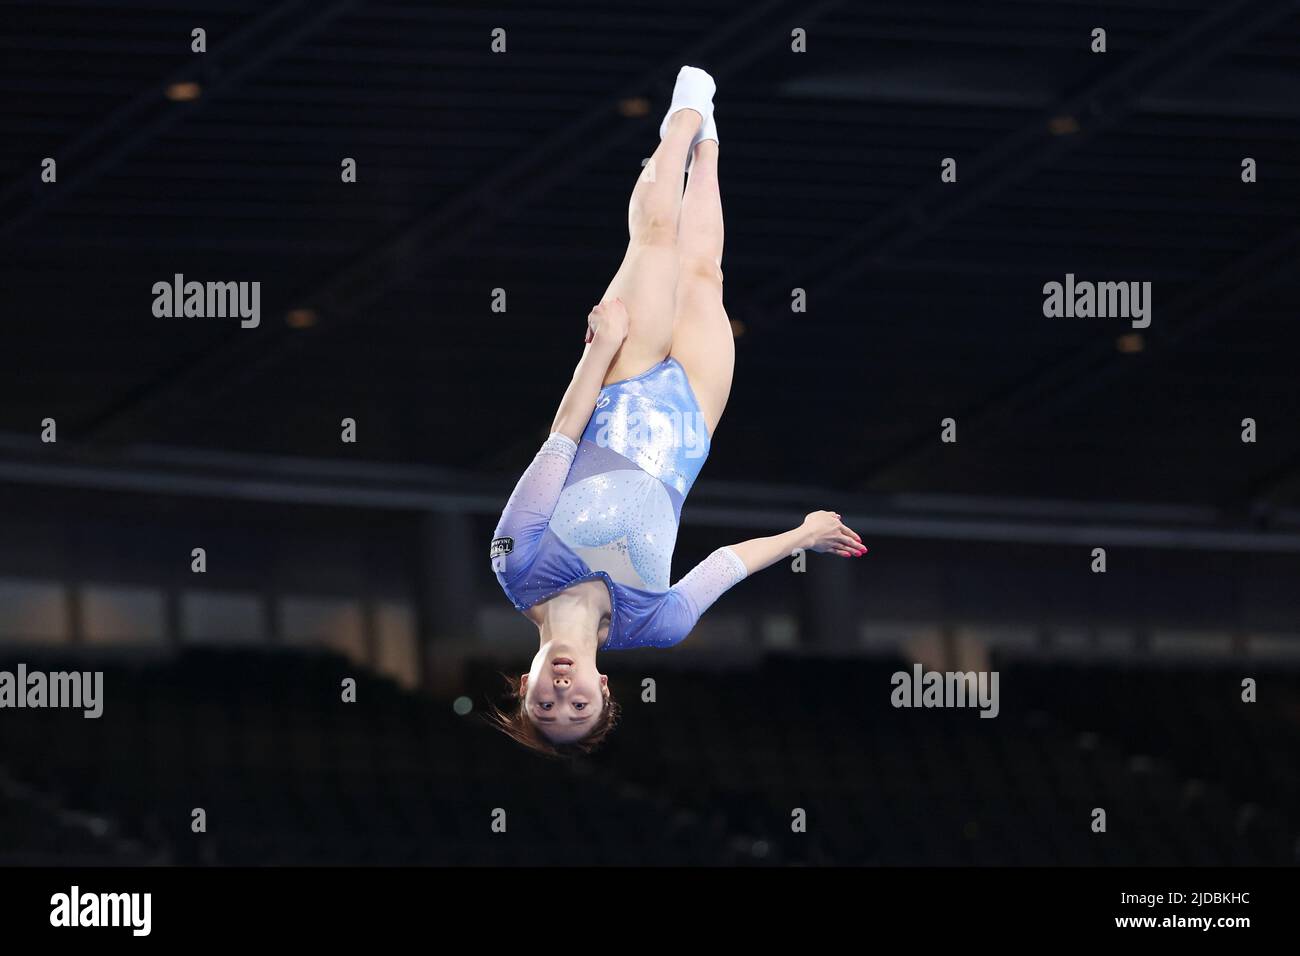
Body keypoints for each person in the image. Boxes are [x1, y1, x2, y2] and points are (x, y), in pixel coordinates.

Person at [488, 67, 866, 755]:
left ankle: (686, 113)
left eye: (546, 703)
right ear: (606, 691)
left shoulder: (517, 565)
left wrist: (599, 353)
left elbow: (560, 441)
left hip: (619, 384)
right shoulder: (654, 624)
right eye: (577, 706)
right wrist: (802, 534)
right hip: (693, 414)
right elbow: (727, 562)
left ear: (525, 683)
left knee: (656, 234)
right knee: (703, 273)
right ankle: (710, 148)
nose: (562, 692)